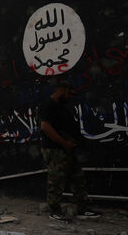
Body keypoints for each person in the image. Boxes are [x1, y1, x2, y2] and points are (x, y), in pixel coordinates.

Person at [40, 81, 101, 222]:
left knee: (77, 178)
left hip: (66, 148)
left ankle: (82, 208)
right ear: (61, 90)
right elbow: (45, 127)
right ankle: (54, 210)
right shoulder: (49, 105)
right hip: (55, 149)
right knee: (57, 180)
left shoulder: (61, 107)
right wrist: (63, 142)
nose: (70, 97)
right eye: (69, 94)